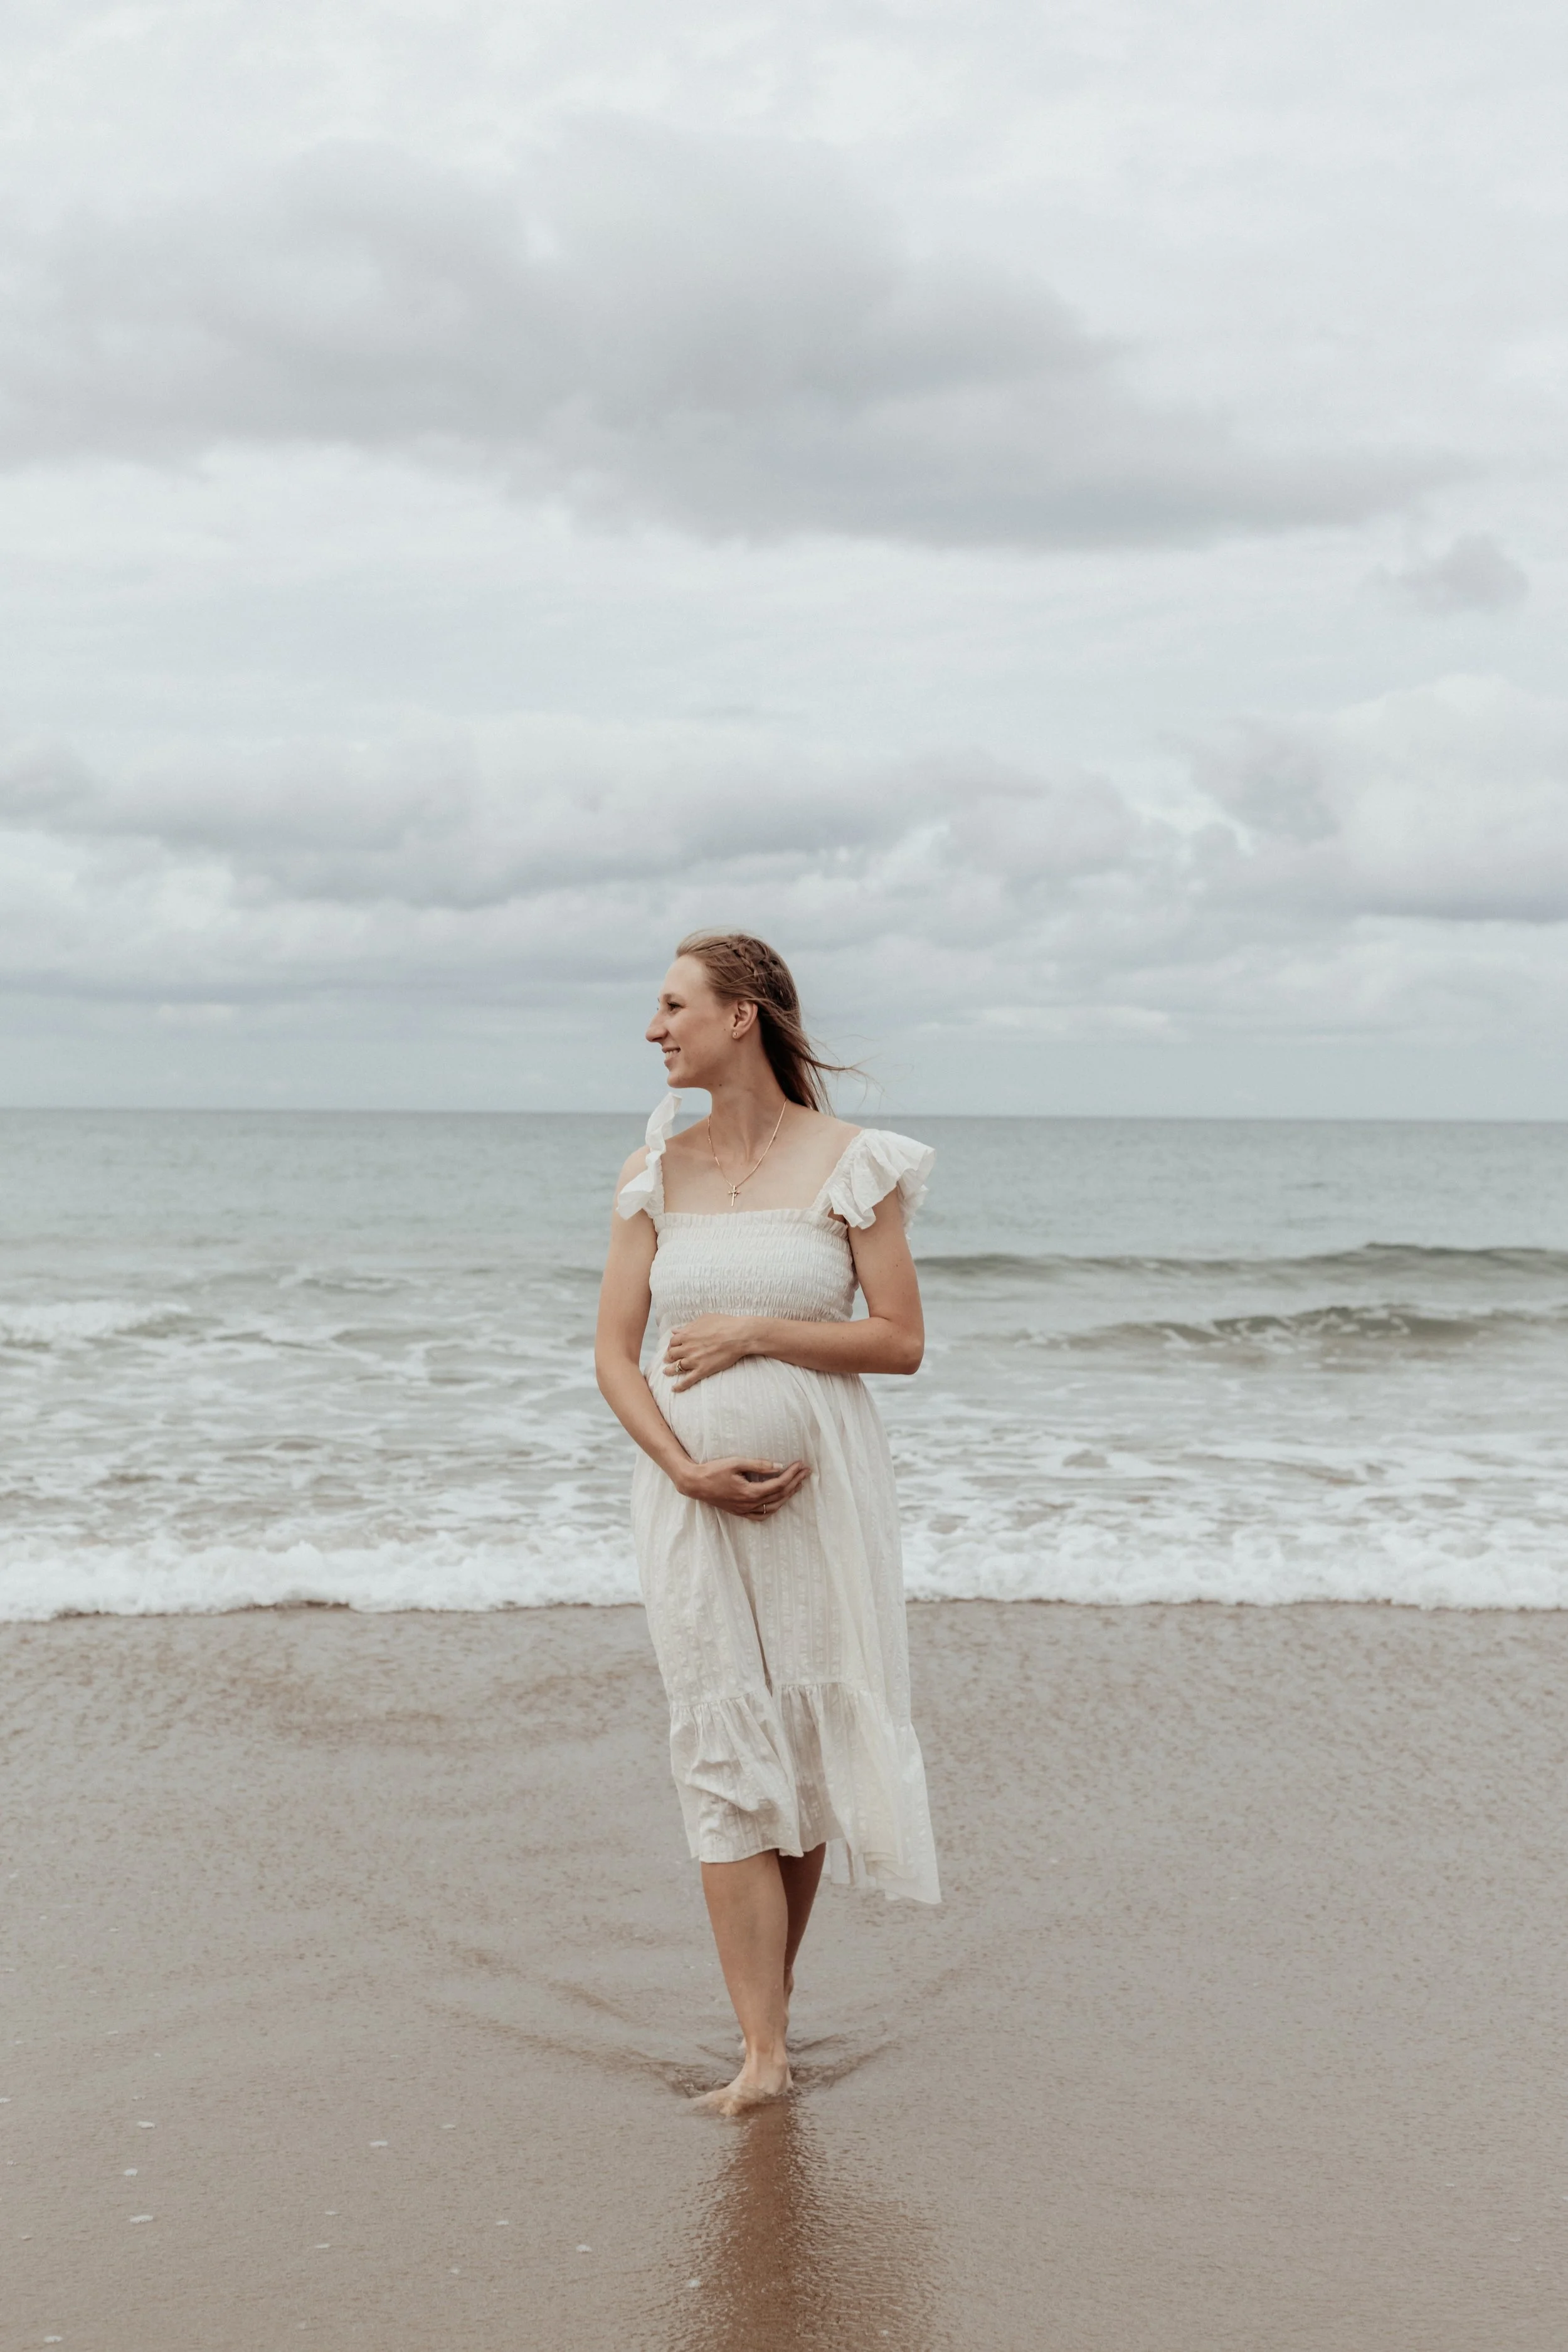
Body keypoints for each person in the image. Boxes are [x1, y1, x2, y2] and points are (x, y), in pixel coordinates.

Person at [595, 930, 941, 2119]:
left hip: (819, 1500)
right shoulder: (654, 1171)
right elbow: (614, 1355)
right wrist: (686, 1468)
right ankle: (762, 2052)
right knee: (721, 1744)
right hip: (690, 1503)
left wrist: (755, 1331)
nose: (654, 1028)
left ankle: (767, 2032)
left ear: (741, 1014)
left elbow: (899, 1339)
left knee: (799, 1747)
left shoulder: (855, 1163)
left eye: (673, 1004)